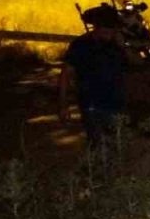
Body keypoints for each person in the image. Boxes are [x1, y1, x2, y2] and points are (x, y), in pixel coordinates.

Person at [58, 9, 135, 152]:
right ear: (97, 28)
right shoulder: (81, 45)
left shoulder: (117, 45)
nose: (110, 33)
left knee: (117, 144)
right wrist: (63, 105)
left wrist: (124, 46)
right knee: (97, 144)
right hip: (91, 104)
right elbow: (65, 74)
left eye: (113, 30)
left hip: (116, 102)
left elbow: (136, 63)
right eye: (107, 30)